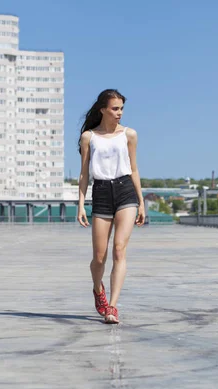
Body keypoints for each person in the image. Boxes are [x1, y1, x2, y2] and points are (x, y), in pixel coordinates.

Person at [77, 89, 145, 324]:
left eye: (121, 109)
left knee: (119, 249)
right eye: (115, 108)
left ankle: (112, 307)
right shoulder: (89, 137)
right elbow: (84, 174)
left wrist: (141, 201)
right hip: (102, 192)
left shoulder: (129, 134)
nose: (119, 113)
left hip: (126, 191)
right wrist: (81, 205)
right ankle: (98, 289)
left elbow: (134, 169)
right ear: (103, 109)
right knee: (99, 257)